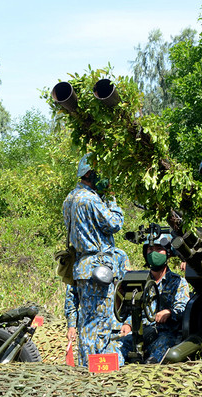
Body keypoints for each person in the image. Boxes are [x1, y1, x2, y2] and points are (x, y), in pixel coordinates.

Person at [62, 153, 125, 367]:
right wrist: (113, 200)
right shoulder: (90, 199)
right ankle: (95, 369)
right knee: (99, 324)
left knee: (86, 322)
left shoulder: (70, 198)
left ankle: (86, 367)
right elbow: (114, 223)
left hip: (82, 267)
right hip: (98, 268)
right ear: (90, 174)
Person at [118, 233, 190, 364]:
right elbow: (131, 305)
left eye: (158, 249)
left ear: (167, 253)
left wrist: (169, 312)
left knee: (155, 358)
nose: (154, 253)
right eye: (150, 250)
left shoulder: (178, 281)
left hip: (164, 333)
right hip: (140, 332)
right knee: (114, 349)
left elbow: (183, 307)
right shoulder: (138, 280)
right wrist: (128, 323)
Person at [65, 248, 131, 365]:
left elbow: (130, 291)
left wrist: (128, 322)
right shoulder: (81, 257)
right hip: (88, 331)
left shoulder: (118, 256)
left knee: (110, 370)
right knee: (86, 368)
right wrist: (71, 325)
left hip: (114, 330)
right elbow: (72, 294)